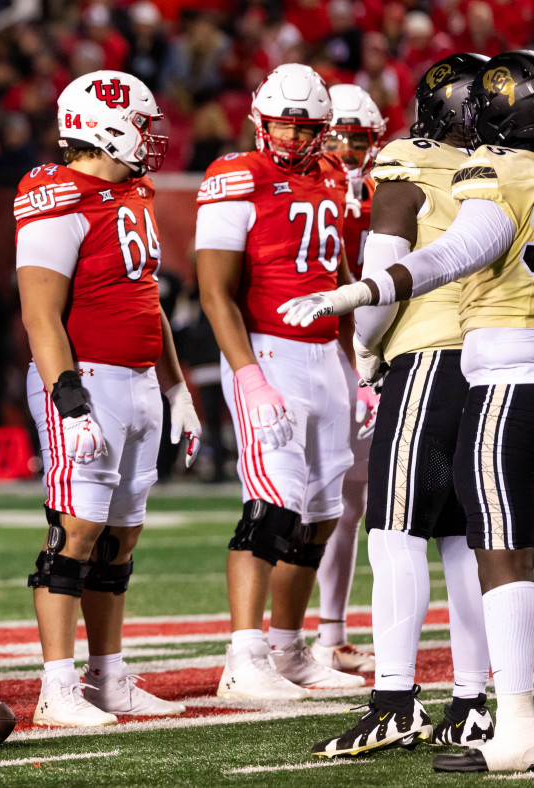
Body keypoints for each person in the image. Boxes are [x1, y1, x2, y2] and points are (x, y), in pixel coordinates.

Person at [281, 50, 534, 773]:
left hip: (429, 348)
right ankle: (472, 698)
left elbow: (392, 258)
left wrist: (362, 346)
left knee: (394, 532)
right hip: (488, 362)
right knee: (471, 536)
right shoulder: (511, 163)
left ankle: (394, 700)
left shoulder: (413, 160)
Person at [15, 70, 201, 728]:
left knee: (120, 538)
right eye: (142, 126)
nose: (151, 140)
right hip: (86, 378)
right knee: (76, 532)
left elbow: (148, 300)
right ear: (105, 125)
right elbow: (40, 314)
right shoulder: (55, 194)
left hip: (140, 377)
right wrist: (70, 400)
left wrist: (177, 387)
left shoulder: (134, 192)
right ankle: (57, 686)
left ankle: (107, 676)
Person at [195, 63, 366, 701]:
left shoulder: (330, 174)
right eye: (284, 127)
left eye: (307, 129)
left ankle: (291, 650)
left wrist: (361, 364)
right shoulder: (235, 175)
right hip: (271, 353)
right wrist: (248, 374)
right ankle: (244, 658)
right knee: (270, 508)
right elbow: (215, 292)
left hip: (326, 355)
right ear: (259, 122)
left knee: (321, 514)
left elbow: (338, 273)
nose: (294, 140)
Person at [310, 82, 385, 673]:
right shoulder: (312, 189)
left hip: (377, 347)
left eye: (355, 138)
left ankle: (330, 631)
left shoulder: (389, 189)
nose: (343, 148)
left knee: (355, 497)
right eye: (335, 136)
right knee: (325, 495)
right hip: (324, 349)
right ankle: (310, 633)